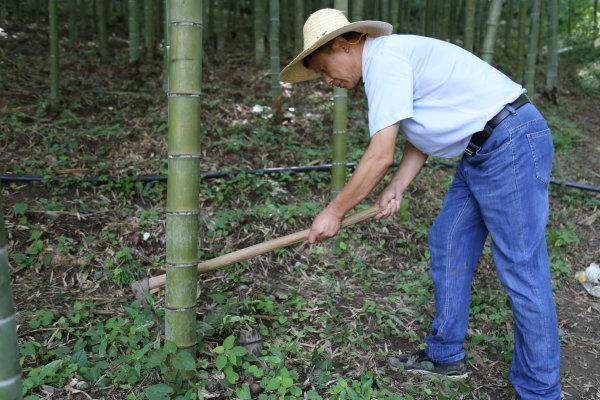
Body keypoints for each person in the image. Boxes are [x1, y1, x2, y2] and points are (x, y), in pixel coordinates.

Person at [279, 8, 561, 400]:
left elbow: (379, 154)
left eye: (325, 68)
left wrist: (334, 211)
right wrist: (398, 186)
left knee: (521, 268)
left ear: (344, 44)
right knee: (448, 239)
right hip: (481, 151)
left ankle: (541, 390)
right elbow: (419, 129)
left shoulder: (386, 60)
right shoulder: (388, 62)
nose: (327, 80)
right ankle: (445, 355)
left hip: (509, 143)